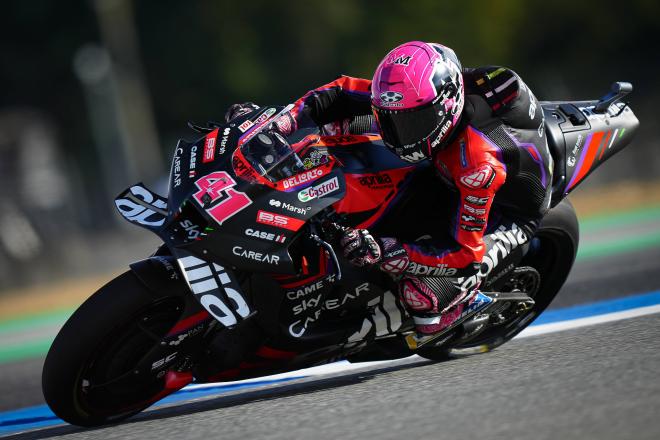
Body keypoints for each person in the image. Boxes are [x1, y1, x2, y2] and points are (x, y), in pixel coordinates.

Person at [228, 41, 552, 344]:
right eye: (391, 120)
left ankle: (458, 304)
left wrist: (387, 251)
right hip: (442, 170)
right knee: (335, 132)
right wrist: (281, 123)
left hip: (506, 213)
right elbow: (339, 93)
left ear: (446, 106)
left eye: (411, 123)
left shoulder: (477, 165)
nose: (398, 134)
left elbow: (463, 255)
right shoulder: (417, 99)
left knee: (422, 299)